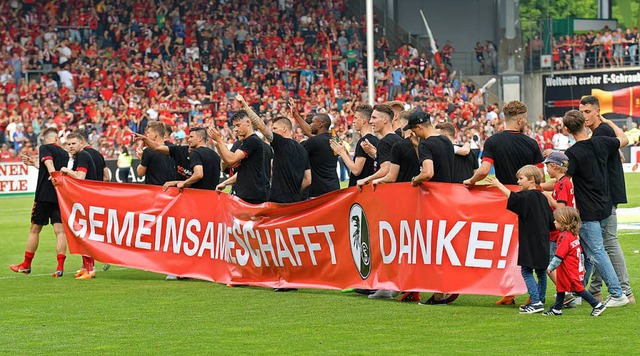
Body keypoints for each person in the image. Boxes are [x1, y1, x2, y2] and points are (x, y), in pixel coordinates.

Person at [463, 100, 544, 306]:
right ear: (519, 120)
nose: (526, 121)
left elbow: (483, 170)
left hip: (504, 198)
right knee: (527, 246)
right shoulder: (532, 143)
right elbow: (540, 175)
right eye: (525, 118)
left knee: (505, 247)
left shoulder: (493, 141)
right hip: (529, 199)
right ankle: (533, 293)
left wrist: (471, 182)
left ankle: (510, 292)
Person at [562, 109, 629, 308]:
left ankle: (617, 293)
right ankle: (579, 293)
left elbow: (565, 181)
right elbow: (624, 139)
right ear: (585, 122)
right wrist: (608, 123)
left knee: (596, 251)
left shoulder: (572, 153)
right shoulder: (602, 141)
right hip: (605, 203)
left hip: (588, 208)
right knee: (589, 251)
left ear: (567, 130)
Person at [578, 95, 634, 304]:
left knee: (607, 242)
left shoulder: (601, 133)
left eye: (588, 112)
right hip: (605, 193)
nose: (584, 116)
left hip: (606, 194)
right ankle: (595, 289)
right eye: (581, 112)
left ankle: (625, 292)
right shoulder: (602, 132)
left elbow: (624, 141)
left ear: (597, 111)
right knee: (598, 243)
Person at [488, 165, 554, 314]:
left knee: (526, 270)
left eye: (520, 179)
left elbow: (513, 198)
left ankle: (535, 301)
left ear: (531, 180)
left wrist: (498, 185)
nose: (518, 181)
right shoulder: (542, 198)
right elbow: (551, 221)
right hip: (543, 240)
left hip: (530, 240)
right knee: (541, 271)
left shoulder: (527, 197)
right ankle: (540, 299)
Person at [9, 128, 69, 277]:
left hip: (44, 196)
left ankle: (26, 265)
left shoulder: (44, 148)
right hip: (59, 195)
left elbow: (49, 164)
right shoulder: (64, 153)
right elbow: (48, 165)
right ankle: (60, 267)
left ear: (49, 139)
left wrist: (53, 175)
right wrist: (35, 164)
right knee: (60, 231)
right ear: (56, 139)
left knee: (35, 230)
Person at [544, 207, 607, 317]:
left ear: (564, 223)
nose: (554, 222)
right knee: (561, 287)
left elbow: (559, 255)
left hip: (569, 269)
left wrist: (551, 267)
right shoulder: (572, 235)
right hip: (570, 268)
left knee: (578, 289)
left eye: (556, 220)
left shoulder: (565, 237)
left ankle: (597, 305)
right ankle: (557, 309)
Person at [61, 131, 99, 280]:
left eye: (73, 143)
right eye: (68, 144)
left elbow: (80, 176)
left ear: (81, 143)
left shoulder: (82, 156)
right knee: (82, 233)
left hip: (87, 200)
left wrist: (66, 171)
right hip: (86, 199)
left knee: (84, 234)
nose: (70, 146)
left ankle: (90, 269)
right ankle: (85, 267)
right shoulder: (80, 156)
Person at [209, 110, 268, 204]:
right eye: (234, 126)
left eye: (238, 125)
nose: (235, 129)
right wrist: (218, 145)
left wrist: (220, 141)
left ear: (248, 122)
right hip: (248, 194)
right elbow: (243, 171)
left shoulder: (252, 140)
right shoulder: (247, 142)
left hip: (252, 196)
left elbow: (230, 160)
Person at [541, 152, 574, 294]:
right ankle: (569, 290)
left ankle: (565, 291)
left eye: (547, 166)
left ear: (554, 166)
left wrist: (548, 197)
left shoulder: (562, 184)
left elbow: (561, 208)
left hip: (559, 230)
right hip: (564, 227)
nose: (546, 170)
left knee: (550, 263)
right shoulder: (564, 182)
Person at [292, 102, 340, 198]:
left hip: (319, 191)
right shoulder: (335, 138)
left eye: (313, 123)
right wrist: (296, 115)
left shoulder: (314, 142)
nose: (310, 125)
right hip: (334, 187)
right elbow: (312, 134)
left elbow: (295, 150)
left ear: (320, 125)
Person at [330, 104, 379, 187]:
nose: (353, 121)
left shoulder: (363, 141)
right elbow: (356, 165)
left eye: (356, 118)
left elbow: (356, 171)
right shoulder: (375, 139)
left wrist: (342, 153)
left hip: (361, 189)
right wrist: (345, 151)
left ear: (363, 120)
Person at [356, 104, 402, 189]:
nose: (370, 121)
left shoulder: (384, 142)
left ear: (385, 119)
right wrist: (374, 154)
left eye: (374, 118)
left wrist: (366, 180)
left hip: (390, 191)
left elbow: (385, 170)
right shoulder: (399, 139)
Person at [163, 127, 220, 191]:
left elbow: (198, 174)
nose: (189, 140)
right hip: (212, 196)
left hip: (197, 195)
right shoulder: (215, 154)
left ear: (200, 138)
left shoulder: (195, 153)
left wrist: (184, 183)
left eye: (191, 137)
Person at [137, 121, 176, 186]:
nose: (147, 135)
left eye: (149, 132)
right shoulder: (173, 148)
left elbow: (140, 173)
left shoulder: (149, 151)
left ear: (155, 134)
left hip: (154, 190)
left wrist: (142, 159)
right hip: (171, 190)